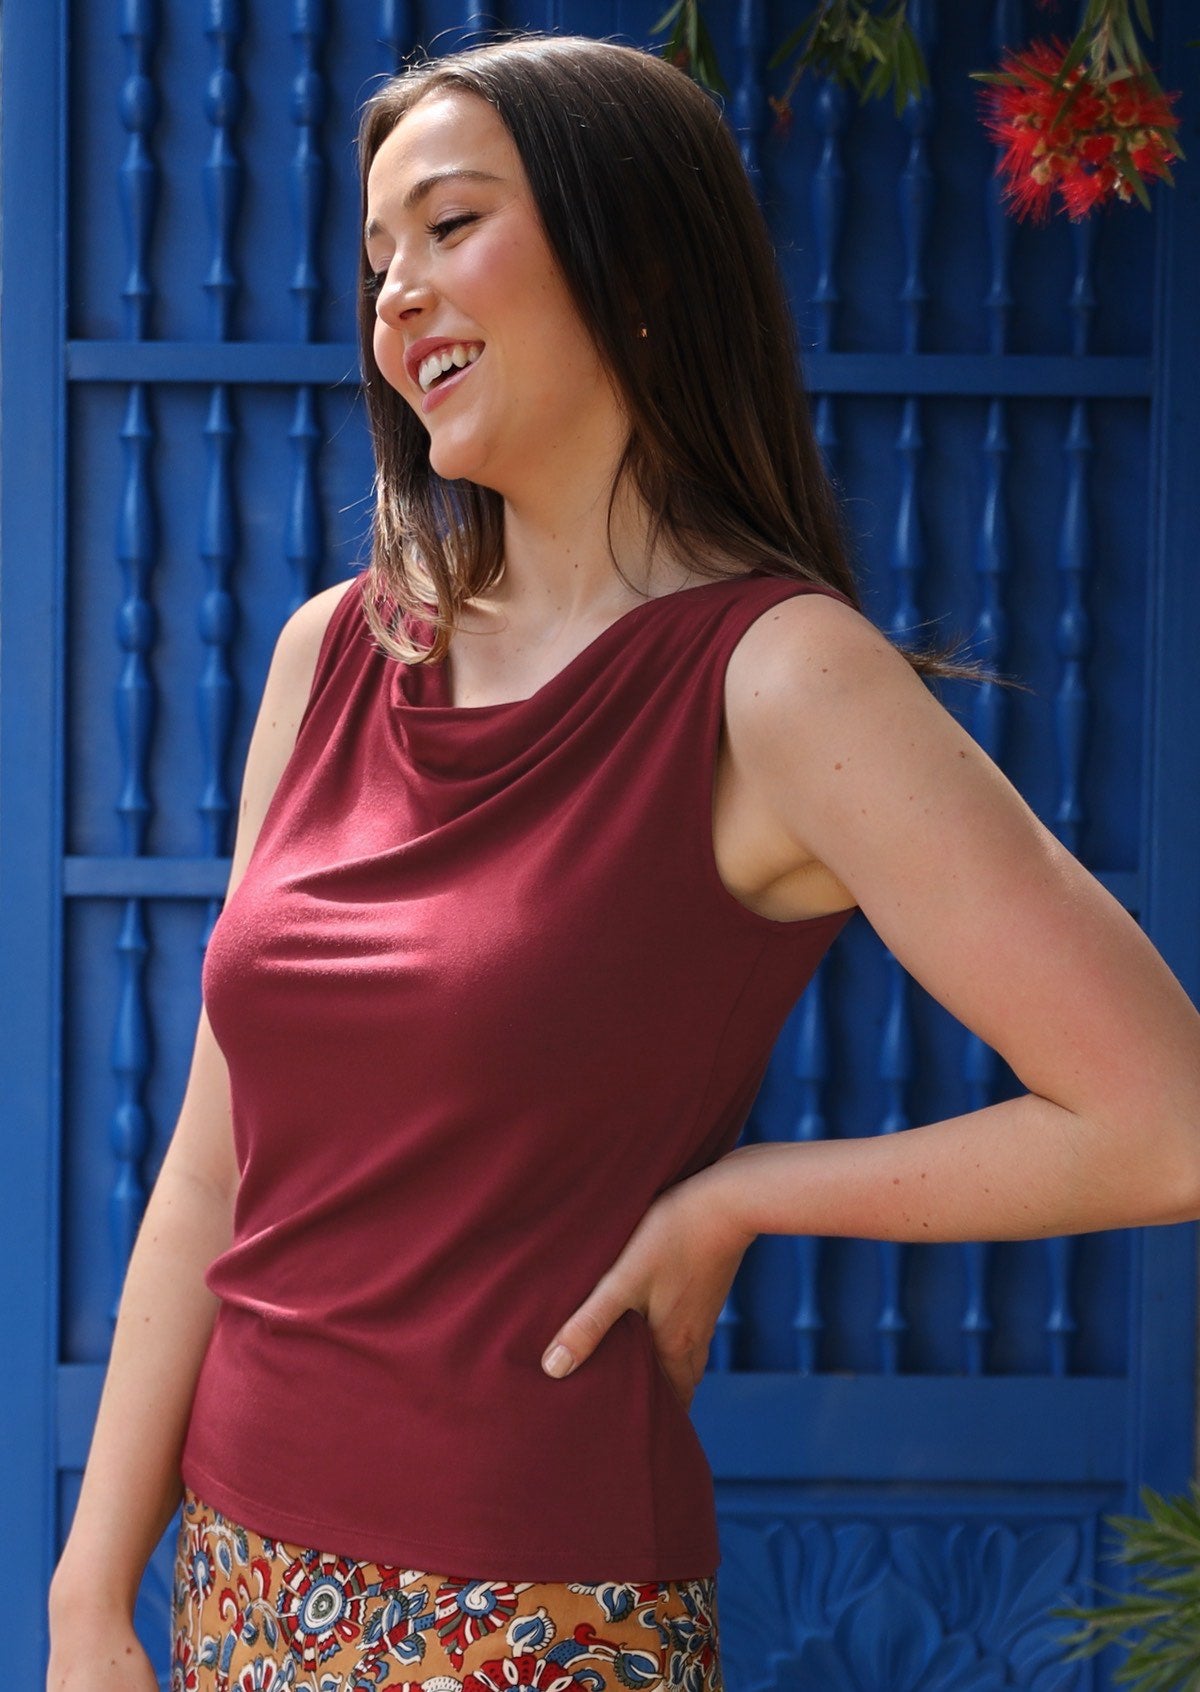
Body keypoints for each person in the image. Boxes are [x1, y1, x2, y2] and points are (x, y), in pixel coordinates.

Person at [46, 31, 1200, 1692]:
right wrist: (94, 1592)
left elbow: (1156, 1119)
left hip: (533, 1615)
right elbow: (217, 1170)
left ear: (637, 259)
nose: (395, 297)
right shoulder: (331, 655)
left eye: (449, 228)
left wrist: (744, 1197)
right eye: (377, 259)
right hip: (242, 1575)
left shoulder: (778, 682)